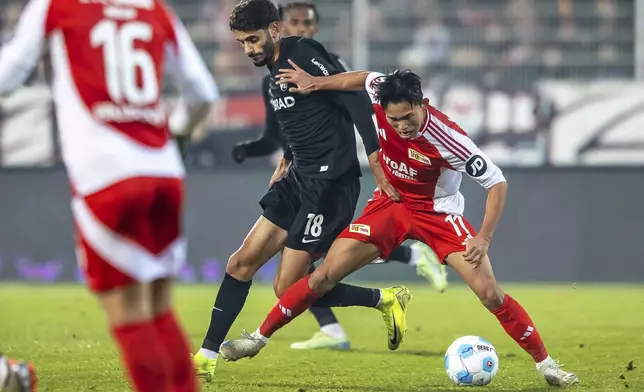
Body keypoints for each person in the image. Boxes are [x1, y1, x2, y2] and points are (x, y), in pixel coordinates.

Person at [219, 67, 579, 388]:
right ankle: (259, 338)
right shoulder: (380, 91)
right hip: (390, 204)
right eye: (393, 121)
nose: (401, 126)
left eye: (407, 117)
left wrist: (483, 238)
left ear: (422, 102)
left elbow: (497, 183)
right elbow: (360, 78)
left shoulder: (449, 137)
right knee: (322, 276)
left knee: (489, 293)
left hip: (436, 213)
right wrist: (317, 83)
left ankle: (547, 365)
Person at [0, 0, 219, 391]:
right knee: (158, 307)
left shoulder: (55, 7)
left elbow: (9, 74)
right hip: (164, 170)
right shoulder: (155, 10)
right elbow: (203, 93)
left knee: (128, 313)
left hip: (107, 174)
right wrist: (179, 133)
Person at [193, 0, 411, 381]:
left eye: (254, 39)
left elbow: (355, 96)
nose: (249, 49)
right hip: (298, 179)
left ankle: (384, 298)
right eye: (242, 43)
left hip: (330, 186)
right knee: (240, 264)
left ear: (275, 31)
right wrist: (288, 157)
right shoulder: (272, 71)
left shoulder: (301, 53)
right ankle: (205, 357)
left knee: (288, 287)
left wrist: (374, 157)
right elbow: (308, 116)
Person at [230, 0, 447, 352]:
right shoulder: (280, 70)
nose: (299, 28)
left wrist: (374, 158)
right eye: (294, 21)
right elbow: (299, 126)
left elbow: (350, 107)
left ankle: (378, 290)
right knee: (296, 278)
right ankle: (366, 306)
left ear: (312, 29)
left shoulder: (326, 66)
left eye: (305, 23)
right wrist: (285, 156)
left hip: (332, 179)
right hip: (304, 174)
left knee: (301, 276)